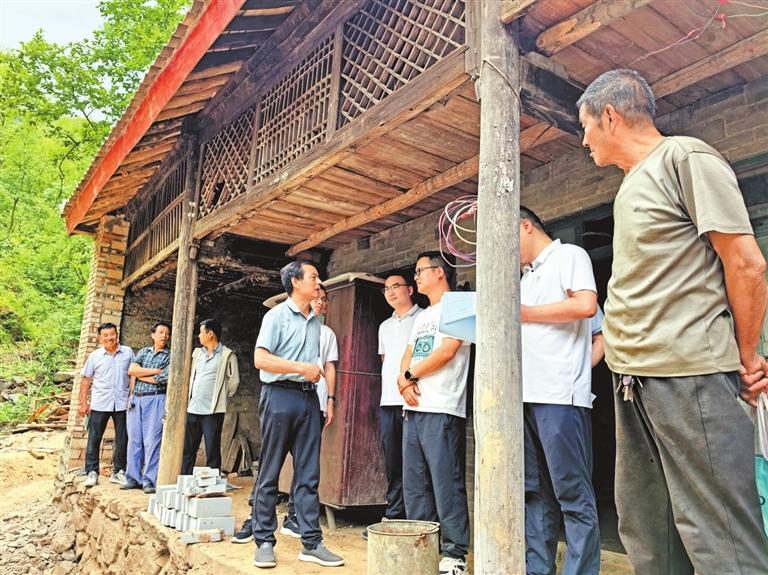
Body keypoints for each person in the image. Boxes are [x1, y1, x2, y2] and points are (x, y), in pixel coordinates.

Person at [578, 68, 768, 574]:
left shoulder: (685, 157)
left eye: (585, 126)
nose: (584, 140)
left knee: (720, 535)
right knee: (650, 530)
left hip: (689, 376)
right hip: (634, 381)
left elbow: (746, 264)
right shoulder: (630, 184)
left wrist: (746, 355)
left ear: (610, 116)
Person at [519, 206, 601, 575]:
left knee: (572, 494)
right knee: (535, 494)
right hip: (525, 397)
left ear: (525, 226)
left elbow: (586, 306)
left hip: (559, 397)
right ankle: (538, 570)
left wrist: (575, 371)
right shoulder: (525, 279)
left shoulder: (569, 255)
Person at [250, 261, 344, 569]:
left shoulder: (316, 322)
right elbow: (260, 359)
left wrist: (321, 391)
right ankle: (264, 540)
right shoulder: (275, 316)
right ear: (295, 281)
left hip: (308, 399)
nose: (318, 282)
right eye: (313, 277)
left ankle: (311, 542)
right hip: (278, 396)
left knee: (308, 474)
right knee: (270, 470)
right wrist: (300, 368)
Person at [399, 252, 471, 575]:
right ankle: (424, 550)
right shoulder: (423, 316)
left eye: (420, 271)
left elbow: (448, 351)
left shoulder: (460, 304)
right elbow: (408, 353)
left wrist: (410, 376)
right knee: (415, 485)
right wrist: (403, 381)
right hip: (414, 408)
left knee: (447, 484)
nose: (415, 277)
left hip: (443, 407)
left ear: (439, 272)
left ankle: (455, 554)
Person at [282, 285, 338, 537]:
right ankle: (257, 515)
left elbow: (330, 367)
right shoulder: (292, 325)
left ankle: (295, 516)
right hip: (289, 399)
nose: (320, 302)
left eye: (324, 299)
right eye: (317, 297)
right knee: (276, 457)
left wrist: (331, 400)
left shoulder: (327, 333)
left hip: (316, 402)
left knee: (306, 462)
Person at [378, 275, 422, 521]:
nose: (390, 292)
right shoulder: (384, 326)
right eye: (386, 289)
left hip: (415, 400)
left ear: (411, 289)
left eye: (396, 286)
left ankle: (416, 519)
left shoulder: (423, 318)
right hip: (388, 401)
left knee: (414, 463)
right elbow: (385, 361)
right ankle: (394, 516)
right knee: (393, 462)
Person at [181, 318, 240, 475]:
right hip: (193, 407)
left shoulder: (227, 355)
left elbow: (234, 382)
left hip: (212, 411)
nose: (199, 336)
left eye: (201, 332)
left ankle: (212, 483)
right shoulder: (197, 354)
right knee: (188, 449)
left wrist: (221, 397)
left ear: (210, 334)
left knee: (212, 449)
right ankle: (185, 478)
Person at [78, 322, 133, 488]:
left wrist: (132, 396)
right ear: (100, 338)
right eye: (106, 335)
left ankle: (119, 471)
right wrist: (83, 403)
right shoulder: (95, 356)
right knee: (94, 438)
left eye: (112, 334)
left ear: (117, 334)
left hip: (122, 403)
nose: (110, 338)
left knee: (123, 439)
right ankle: (92, 472)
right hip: (100, 403)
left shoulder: (128, 352)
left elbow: (134, 374)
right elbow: (86, 380)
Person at [122, 321, 170, 494]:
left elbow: (162, 379)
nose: (164, 336)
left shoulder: (170, 356)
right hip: (136, 399)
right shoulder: (144, 351)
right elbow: (131, 370)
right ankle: (133, 478)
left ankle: (149, 480)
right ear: (153, 335)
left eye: (167, 334)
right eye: (161, 332)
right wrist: (155, 371)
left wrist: (142, 373)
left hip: (156, 398)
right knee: (134, 439)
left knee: (152, 441)